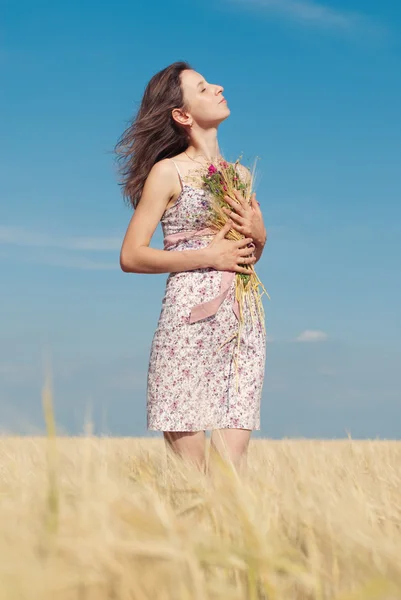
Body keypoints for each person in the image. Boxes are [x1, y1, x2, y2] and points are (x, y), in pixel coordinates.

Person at [115, 61, 267, 476]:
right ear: (182, 116)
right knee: (192, 481)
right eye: (202, 88)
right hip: (187, 325)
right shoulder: (168, 172)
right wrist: (206, 257)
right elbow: (131, 255)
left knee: (229, 475)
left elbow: (243, 255)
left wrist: (260, 238)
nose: (218, 87)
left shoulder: (239, 174)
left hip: (240, 323)